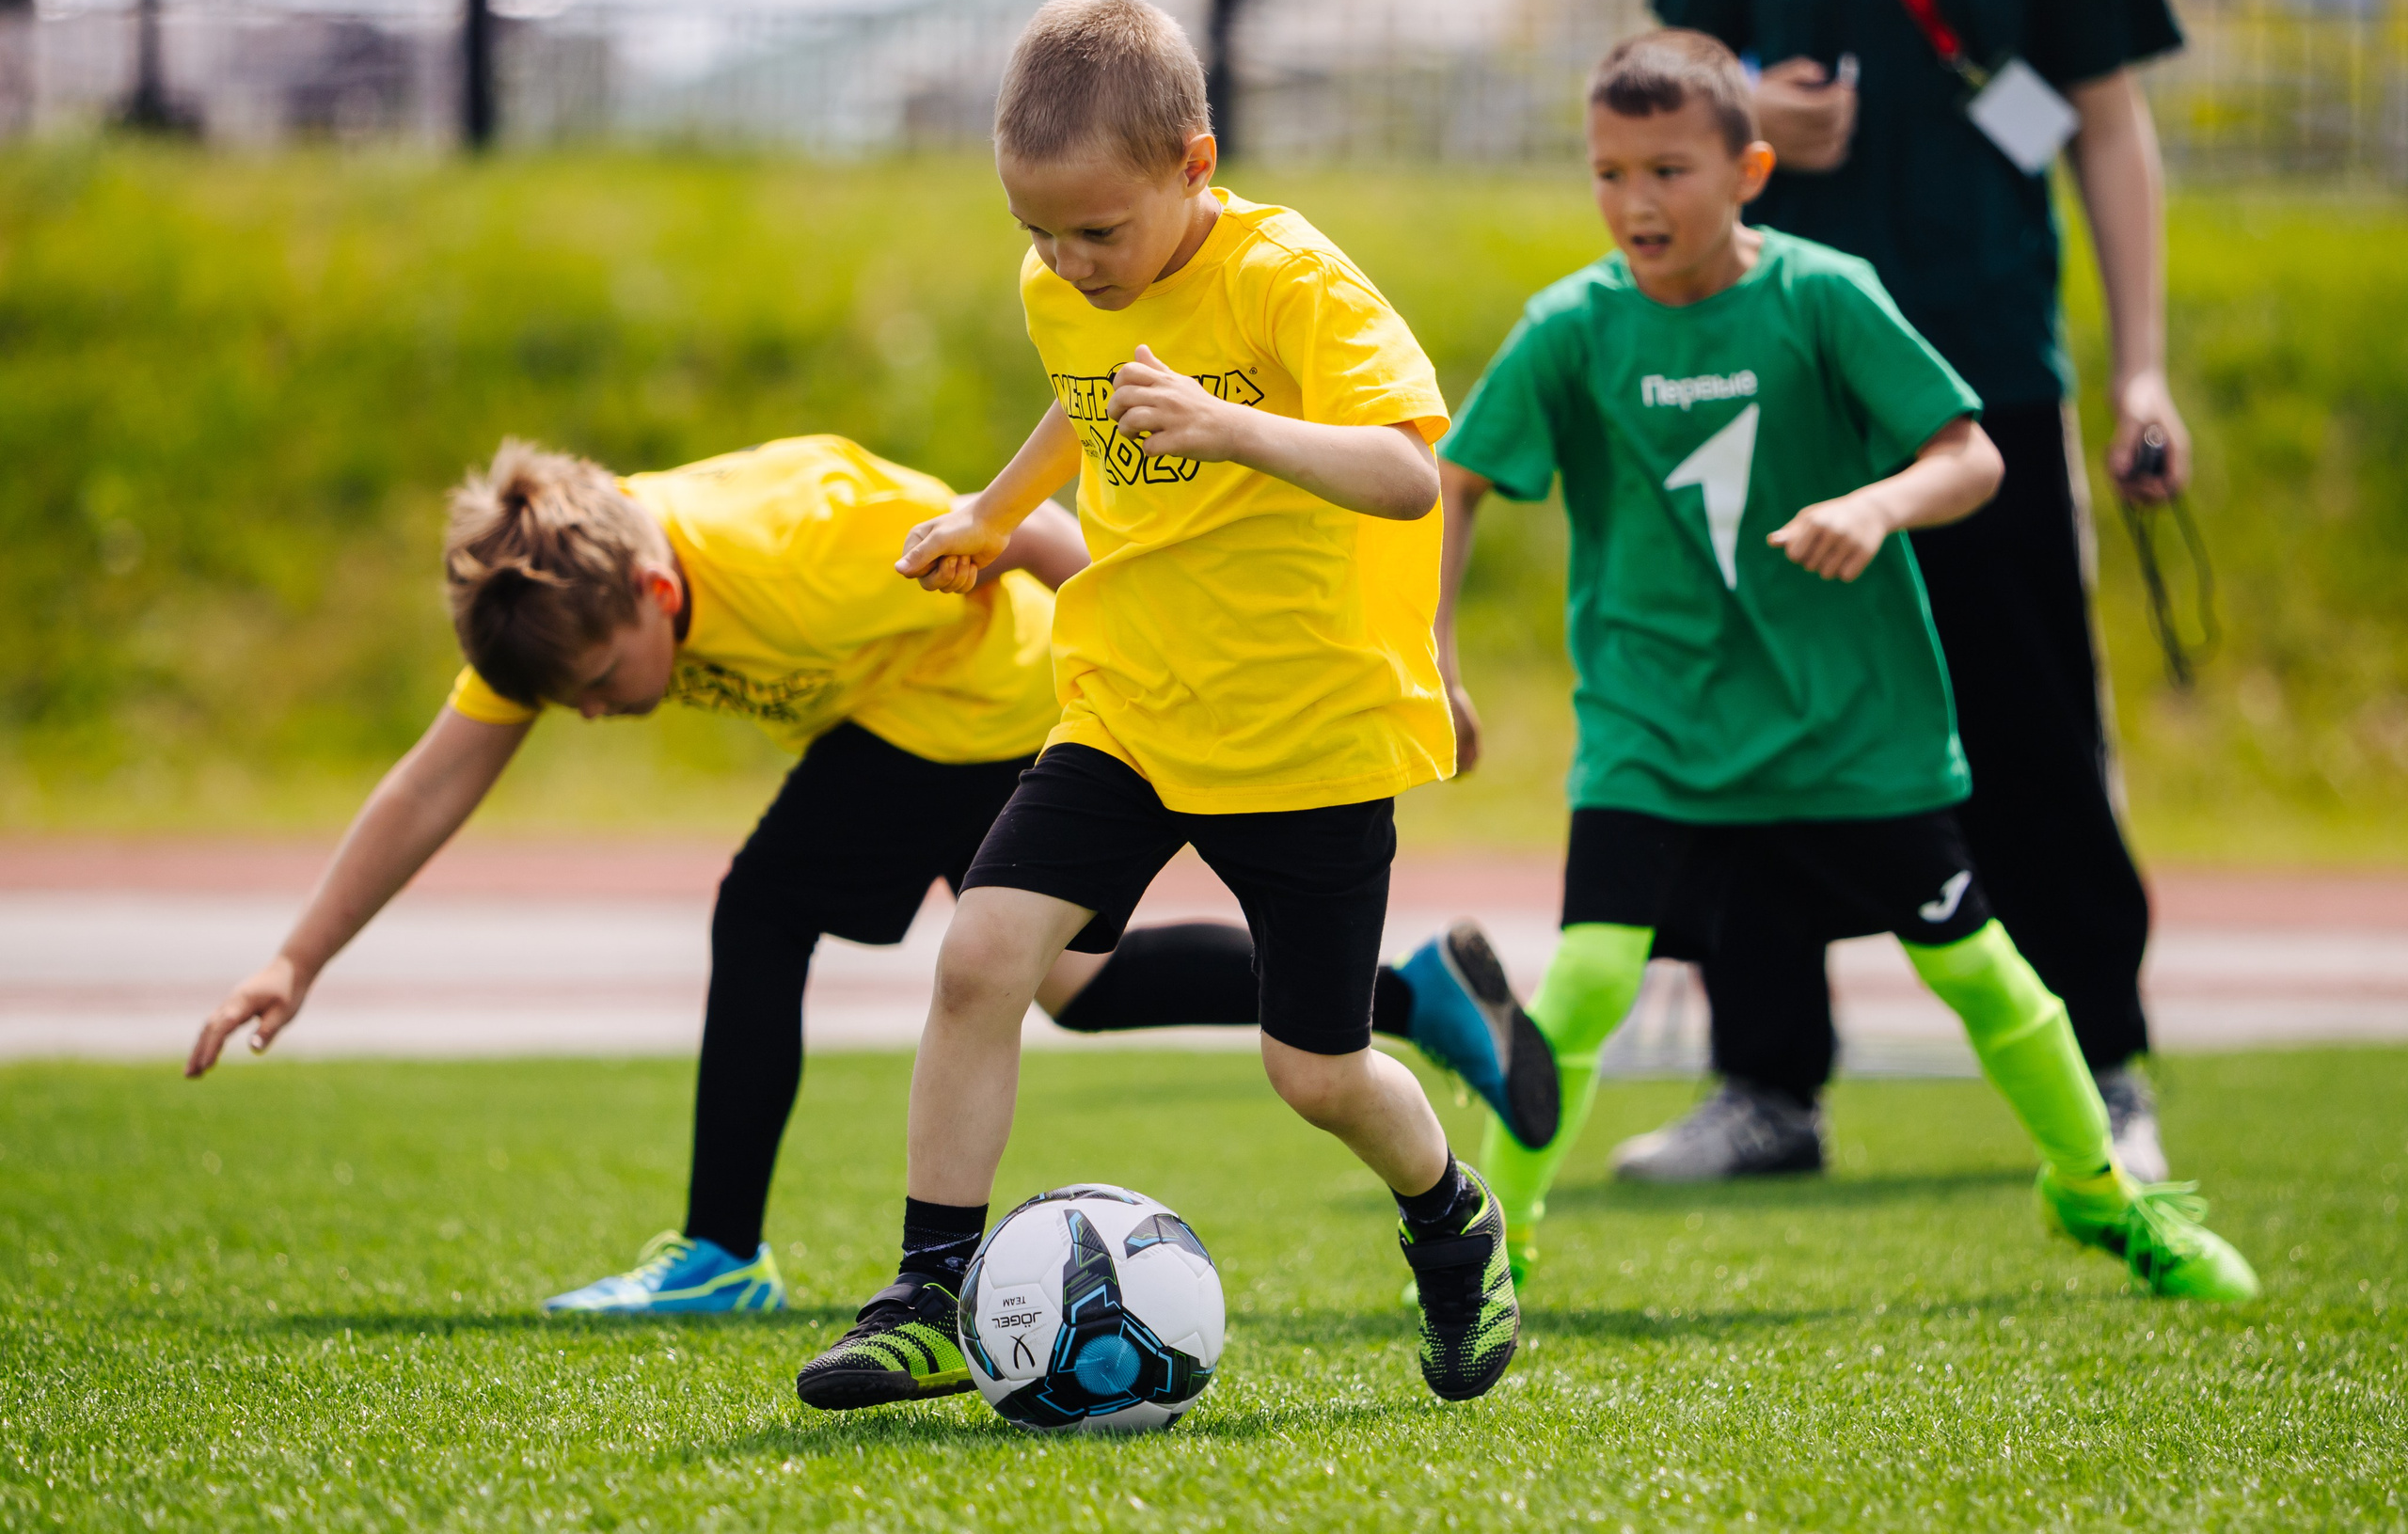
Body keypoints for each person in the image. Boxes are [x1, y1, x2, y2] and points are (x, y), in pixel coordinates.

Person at [182, 434, 1550, 1315]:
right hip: (912, 715)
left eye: (602, 689)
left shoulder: (808, 538)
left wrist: (1152, 702)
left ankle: (721, 1254)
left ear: (659, 595)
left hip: (1015, 699)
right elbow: (433, 779)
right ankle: (1412, 996)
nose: (593, 714)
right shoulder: (559, 603)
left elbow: (1041, 534)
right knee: (1072, 990)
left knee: (760, 907)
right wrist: (293, 956)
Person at [1434, 30, 2255, 1304]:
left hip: (1848, 722)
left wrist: (1876, 507)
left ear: (1751, 169)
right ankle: (1497, 1252)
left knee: (1980, 971)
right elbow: (1457, 478)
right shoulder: (1573, 325)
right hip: (1655, 727)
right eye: (1607, 172)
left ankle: (2102, 1199)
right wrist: (1434, 650)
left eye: (1668, 171)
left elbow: (1972, 457)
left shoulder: (1825, 294)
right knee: (1589, 977)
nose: (1635, 203)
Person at [790, 0, 1522, 1413]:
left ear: (1195, 164)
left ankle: (1453, 1220)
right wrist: (993, 517)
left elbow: (1406, 475)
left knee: (1317, 1075)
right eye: (1038, 233)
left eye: (1097, 232)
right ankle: (930, 1292)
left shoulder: (1290, 277)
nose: (1067, 261)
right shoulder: (1064, 283)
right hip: (1126, 706)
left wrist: (1228, 422)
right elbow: (1082, 396)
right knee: (981, 960)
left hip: (1304, 736)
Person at [1622, 0, 2193, 1182]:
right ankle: (1766, 1085)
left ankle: (2103, 1068)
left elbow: (2103, 119)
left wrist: (2139, 368)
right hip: (1770, 377)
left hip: (1984, 386)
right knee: (1760, 715)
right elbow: (1657, 89)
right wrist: (1747, 112)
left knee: (2034, 728)